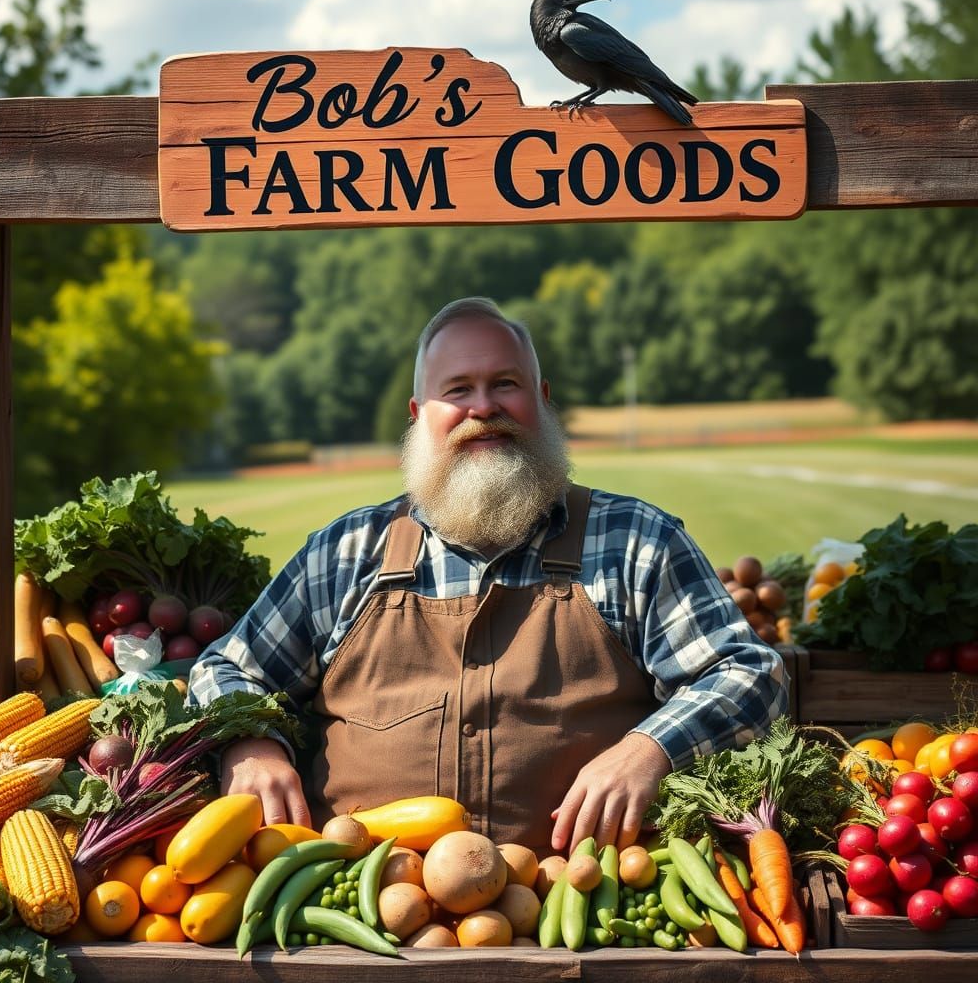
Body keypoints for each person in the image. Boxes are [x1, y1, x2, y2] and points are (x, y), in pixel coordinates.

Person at [188, 296, 788, 854]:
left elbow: (749, 673)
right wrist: (252, 742)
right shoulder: (345, 555)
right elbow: (225, 669)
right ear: (420, 415)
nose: (483, 407)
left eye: (505, 383)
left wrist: (648, 750)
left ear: (542, 399)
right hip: (359, 921)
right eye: (458, 389)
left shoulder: (635, 541)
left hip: (587, 923)